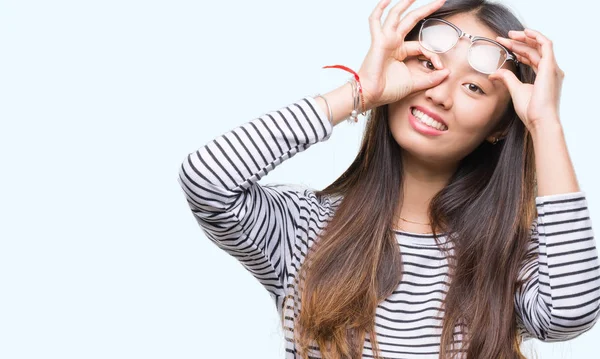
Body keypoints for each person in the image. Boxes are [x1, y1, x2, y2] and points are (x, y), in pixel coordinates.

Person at [177, 0, 600, 357]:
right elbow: (207, 179)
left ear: (499, 127)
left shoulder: (507, 256)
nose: (440, 93)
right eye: (428, 65)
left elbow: (571, 312)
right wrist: (359, 91)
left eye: (474, 88)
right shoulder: (304, 227)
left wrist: (545, 124)